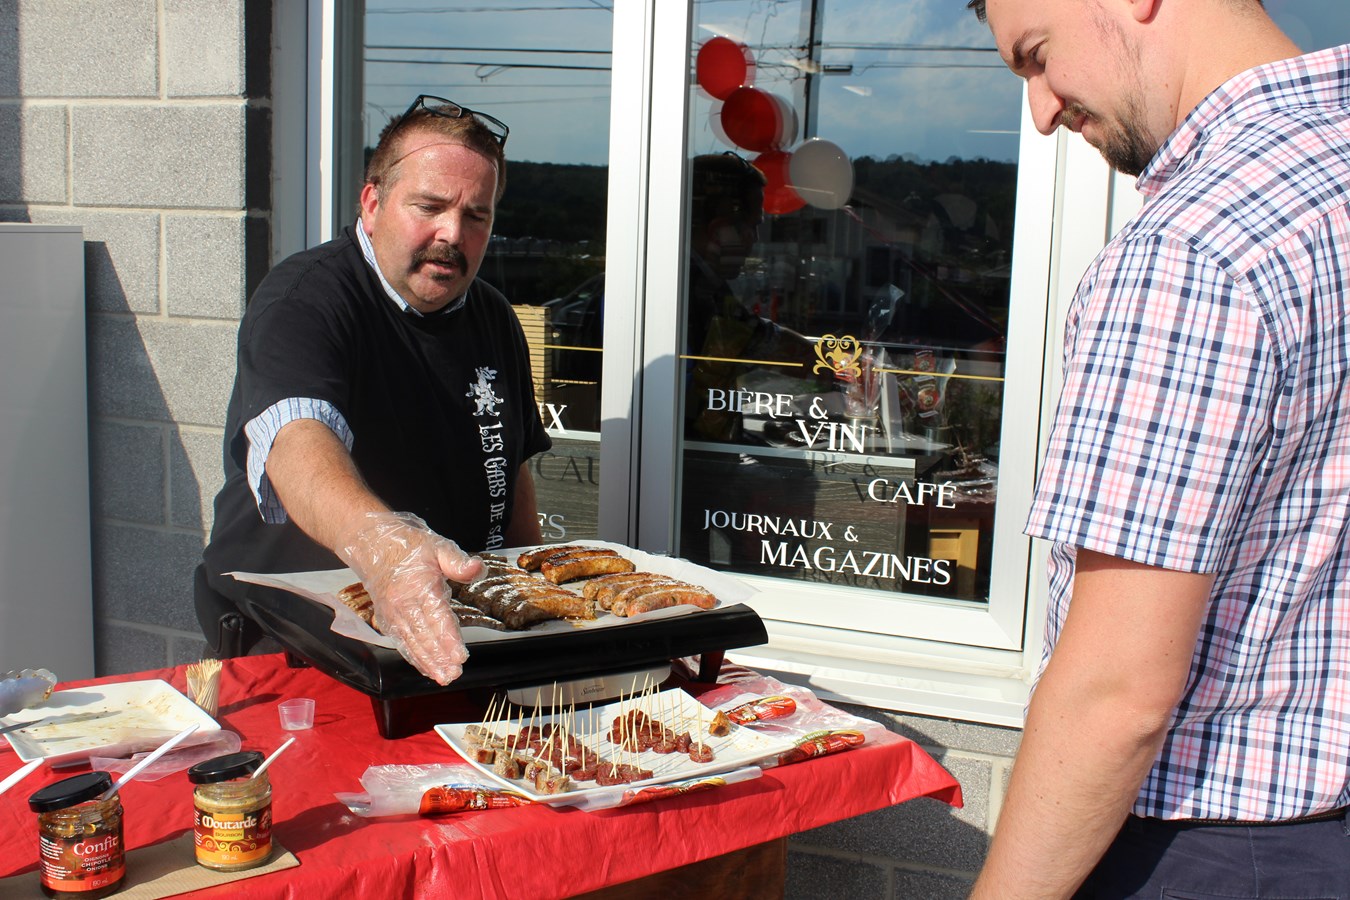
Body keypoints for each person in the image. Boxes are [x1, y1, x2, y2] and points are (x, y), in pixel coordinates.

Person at [965, 0, 1350, 896]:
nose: (1042, 111)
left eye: (1037, 56)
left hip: (1212, 853)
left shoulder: (1192, 250)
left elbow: (1117, 692)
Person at [197, 96, 551, 686]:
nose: (452, 234)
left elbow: (512, 472)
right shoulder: (306, 299)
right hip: (296, 645)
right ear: (372, 203)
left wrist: (534, 610)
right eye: (429, 206)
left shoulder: (493, 317)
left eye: (476, 216)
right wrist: (382, 545)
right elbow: (297, 440)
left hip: (448, 636)